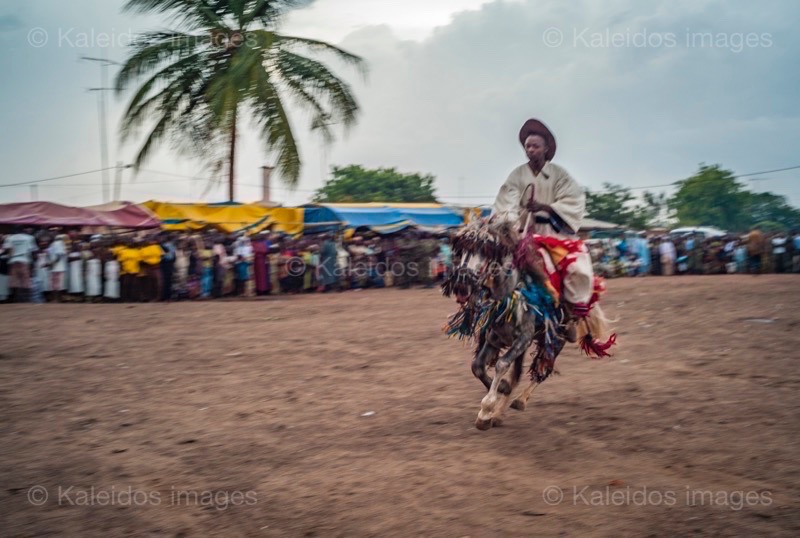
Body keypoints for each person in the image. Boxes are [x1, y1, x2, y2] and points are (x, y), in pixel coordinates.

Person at [493, 119, 593, 341]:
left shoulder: (560, 174)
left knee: (577, 268)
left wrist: (545, 207)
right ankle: (492, 313)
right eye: (527, 146)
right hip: (523, 235)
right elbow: (505, 202)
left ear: (546, 148)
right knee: (494, 267)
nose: (530, 150)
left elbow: (573, 200)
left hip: (553, 234)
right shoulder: (517, 175)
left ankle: (570, 317)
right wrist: (511, 223)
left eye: (535, 146)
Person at [1, 226, 38, 303]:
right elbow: (33, 251)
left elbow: (7, 250)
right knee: (25, 280)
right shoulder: (29, 238)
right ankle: (26, 300)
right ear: (23, 230)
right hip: (25, 260)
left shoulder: (10, 238)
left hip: (13, 260)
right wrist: (33, 263)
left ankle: (16, 300)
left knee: (14, 281)